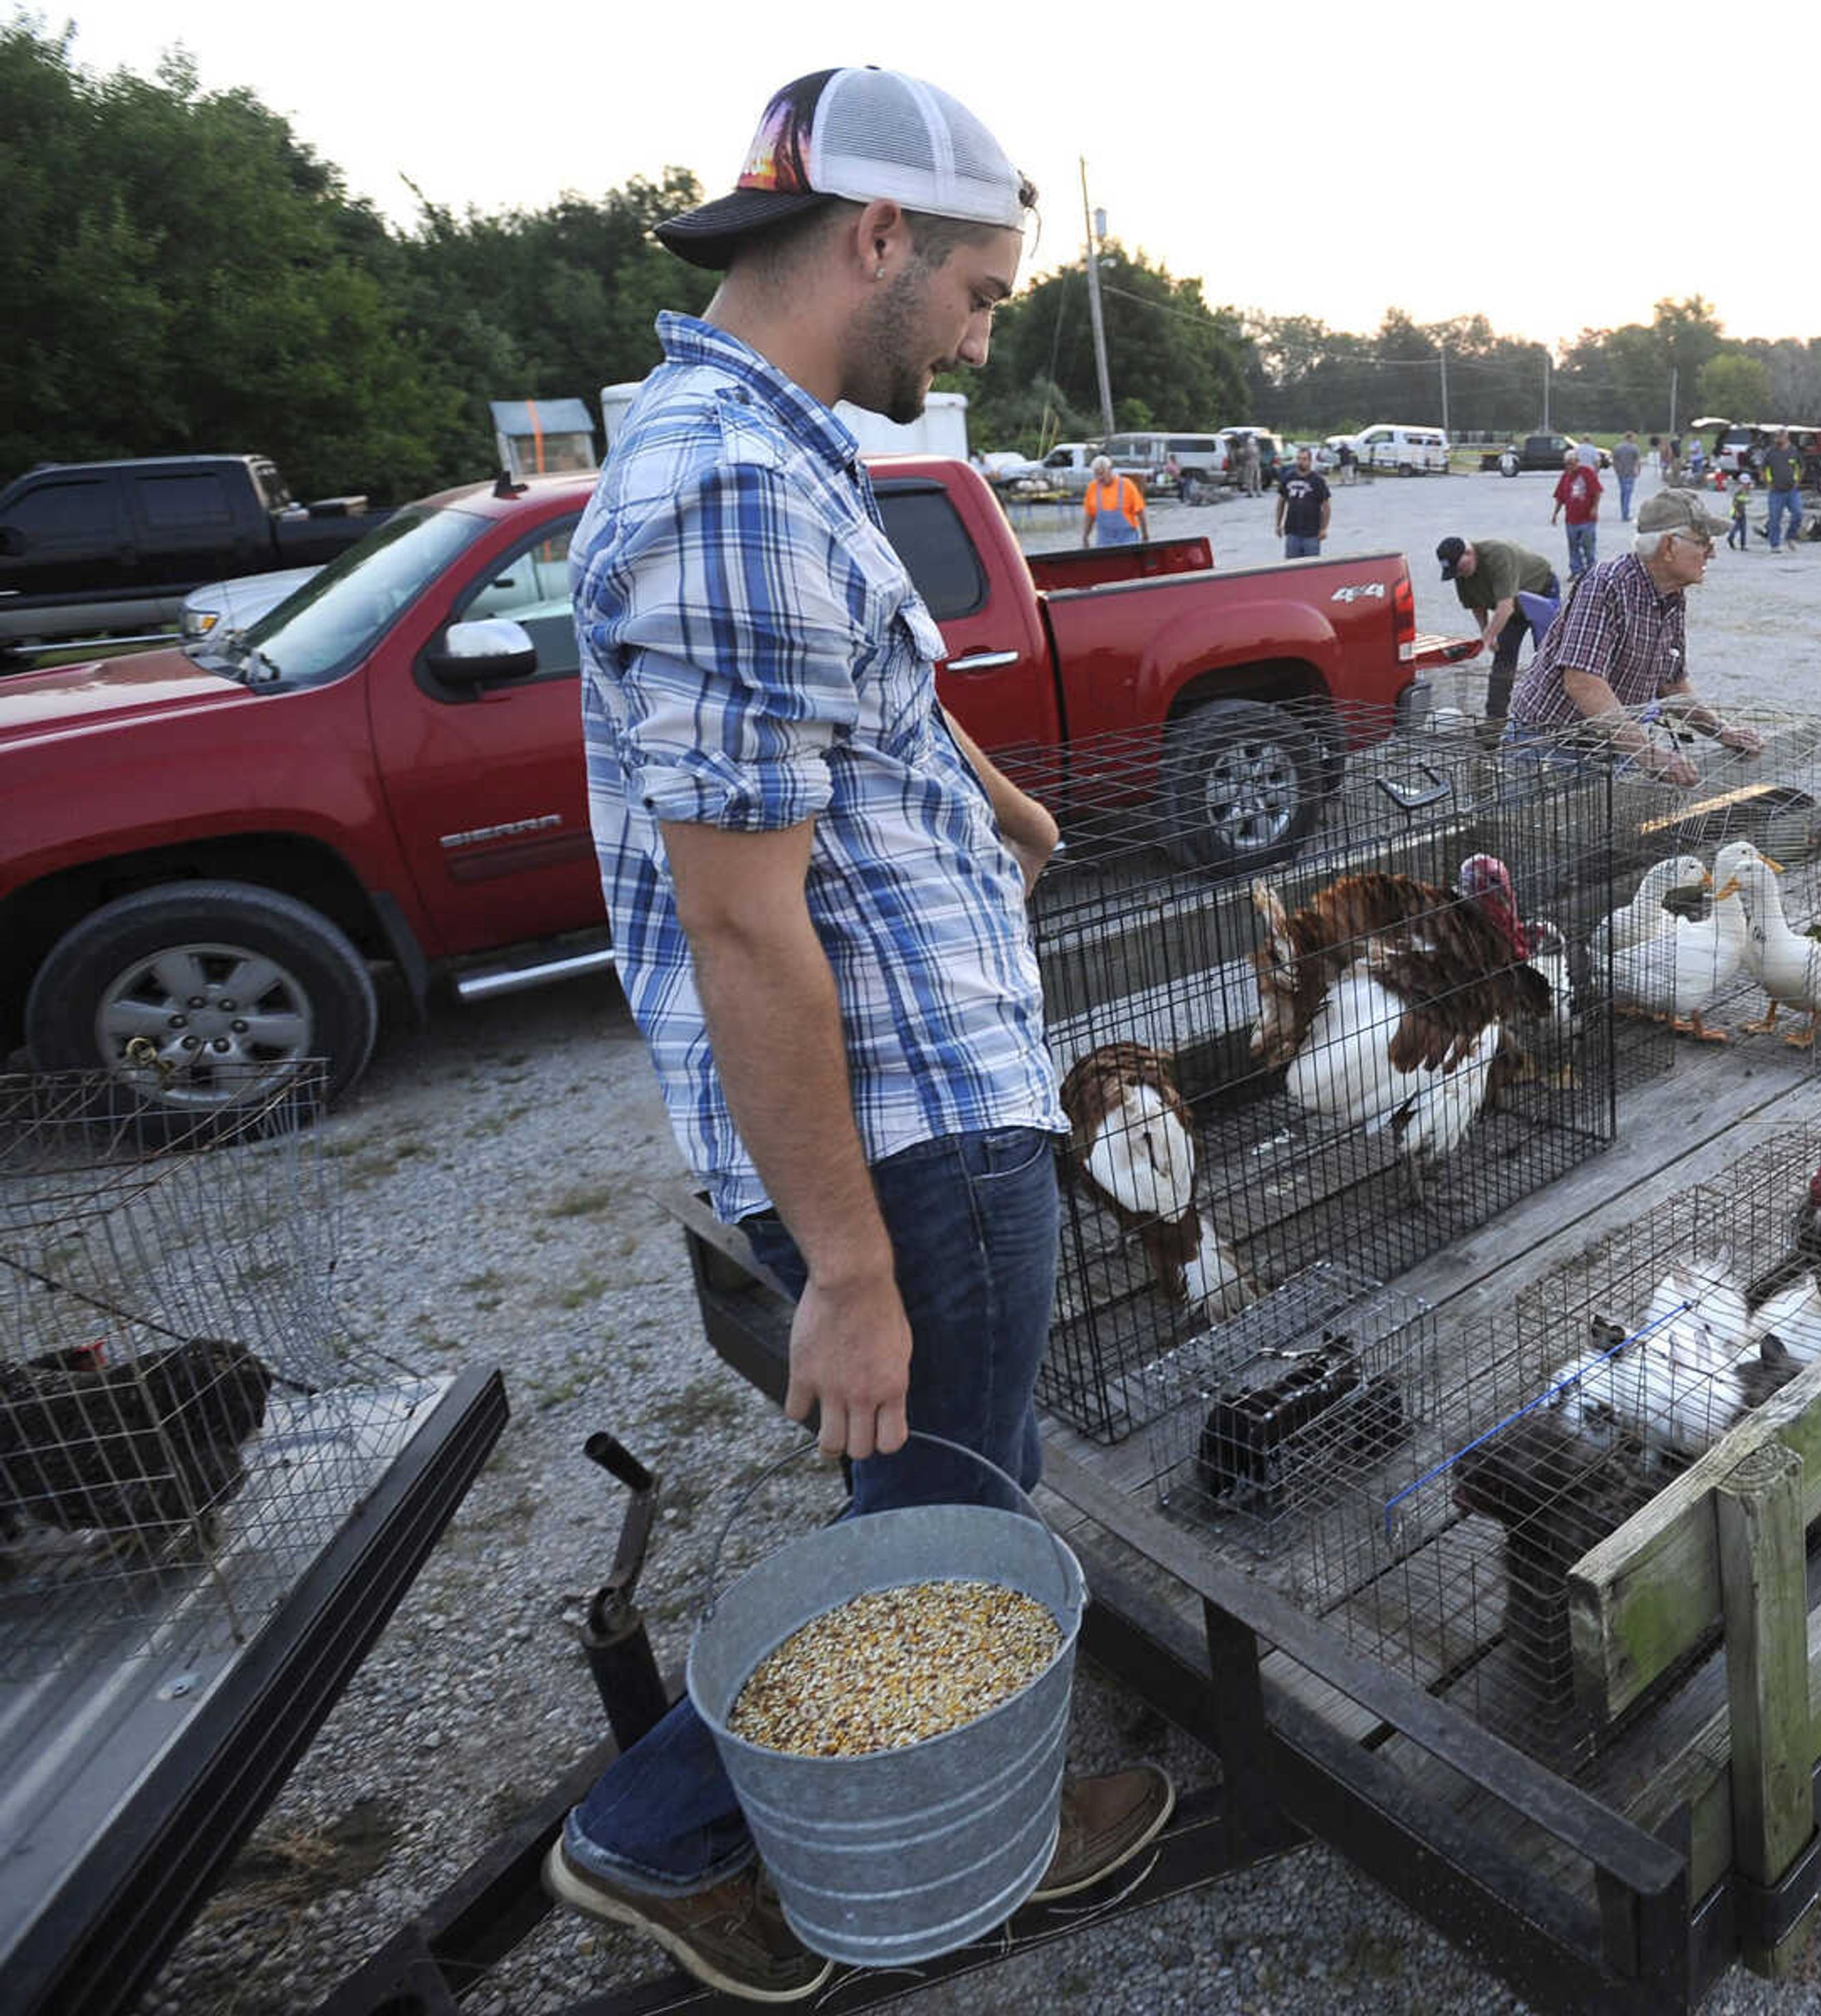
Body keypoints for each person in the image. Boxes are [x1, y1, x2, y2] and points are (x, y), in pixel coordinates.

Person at [552, 66, 1173, 2002]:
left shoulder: (763, 441)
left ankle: (926, 1795)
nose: (986, 331)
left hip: (915, 1095)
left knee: (934, 1498)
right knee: (943, 1530)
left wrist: (988, 792)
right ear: (876, 237)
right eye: (983, 294)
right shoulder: (735, 486)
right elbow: (744, 923)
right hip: (911, 1137)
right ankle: (692, 1833)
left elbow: (842, 691)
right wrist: (843, 1268)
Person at [1503, 490, 1760, 789]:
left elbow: (1672, 683)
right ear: (1668, 546)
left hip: (1611, 744)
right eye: (1704, 543)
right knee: (1545, 831)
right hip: (1550, 745)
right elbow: (1583, 681)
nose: (1711, 553)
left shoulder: (1672, 596)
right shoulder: (1608, 584)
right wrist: (1648, 753)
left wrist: (1721, 731)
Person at [1438, 533, 1559, 729]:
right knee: (1503, 658)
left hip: (1540, 593)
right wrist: (1486, 631)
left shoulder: (1498, 555)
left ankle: (1551, 719)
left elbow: (1505, 606)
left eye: (1461, 569)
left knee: (1547, 657)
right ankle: (1495, 721)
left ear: (1469, 553)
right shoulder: (1460, 573)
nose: (1460, 575)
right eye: (1455, 572)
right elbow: (1476, 604)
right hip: (1513, 608)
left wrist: (1487, 638)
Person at [1551, 445, 1603, 580]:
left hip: (1587, 518)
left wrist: (1595, 508)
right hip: (1571, 519)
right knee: (1573, 546)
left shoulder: (1587, 473)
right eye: (1567, 464)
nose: (1570, 466)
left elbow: (1597, 492)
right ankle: (1576, 570)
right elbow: (1560, 497)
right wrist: (1555, 514)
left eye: (1572, 463)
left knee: (1588, 545)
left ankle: (1592, 570)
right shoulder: (1565, 477)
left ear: (1577, 461)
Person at [1274, 443, 1331, 557]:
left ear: (1310, 461)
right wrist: (1278, 524)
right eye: (1299, 459)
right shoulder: (1288, 477)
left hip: (1312, 534)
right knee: (1291, 568)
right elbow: (1281, 502)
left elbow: (1326, 506)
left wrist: (1324, 529)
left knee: (1311, 569)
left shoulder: (1318, 480)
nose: (1301, 462)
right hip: (1292, 532)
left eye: (1304, 459)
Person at [1081, 452, 1147, 546]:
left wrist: (1145, 536)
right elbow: (1090, 516)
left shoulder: (1127, 485)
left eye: (1102, 474)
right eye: (1097, 475)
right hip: (1104, 542)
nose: (1100, 478)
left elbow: (1140, 513)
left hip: (1127, 541)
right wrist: (1085, 537)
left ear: (1110, 470)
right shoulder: (1092, 488)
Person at [1764, 433, 1806, 551]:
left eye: (1779, 437)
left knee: (1798, 513)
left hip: (1792, 490)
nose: (1776, 440)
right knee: (1775, 518)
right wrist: (1768, 483)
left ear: (1786, 438)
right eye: (1775, 437)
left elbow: (1802, 467)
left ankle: (1790, 537)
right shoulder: (1770, 452)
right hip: (1776, 491)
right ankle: (1775, 544)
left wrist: (1798, 481)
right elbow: (1763, 468)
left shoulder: (1794, 451)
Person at [1611, 431, 1643, 520]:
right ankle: (1625, 515)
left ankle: (1623, 511)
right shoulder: (1635, 448)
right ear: (1631, 438)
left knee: (1623, 493)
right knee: (1628, 494)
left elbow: (1614, 460)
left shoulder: (1617, 447)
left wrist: (1616, 470)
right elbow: (1637, 461)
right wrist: (1638, 471)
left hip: (1621, 473)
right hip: (1630, 473)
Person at [1727, 473, 1755, 551]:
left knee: (1741, 528)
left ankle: (1741, 545)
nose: (1748, 484)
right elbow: (1736, 501)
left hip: (1741, 511)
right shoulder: (1740, 490)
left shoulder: (1743, 489)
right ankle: (1732, 539)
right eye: (1747, 483)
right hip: (1738, 511)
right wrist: (1747, 500)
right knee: (1740, 528)